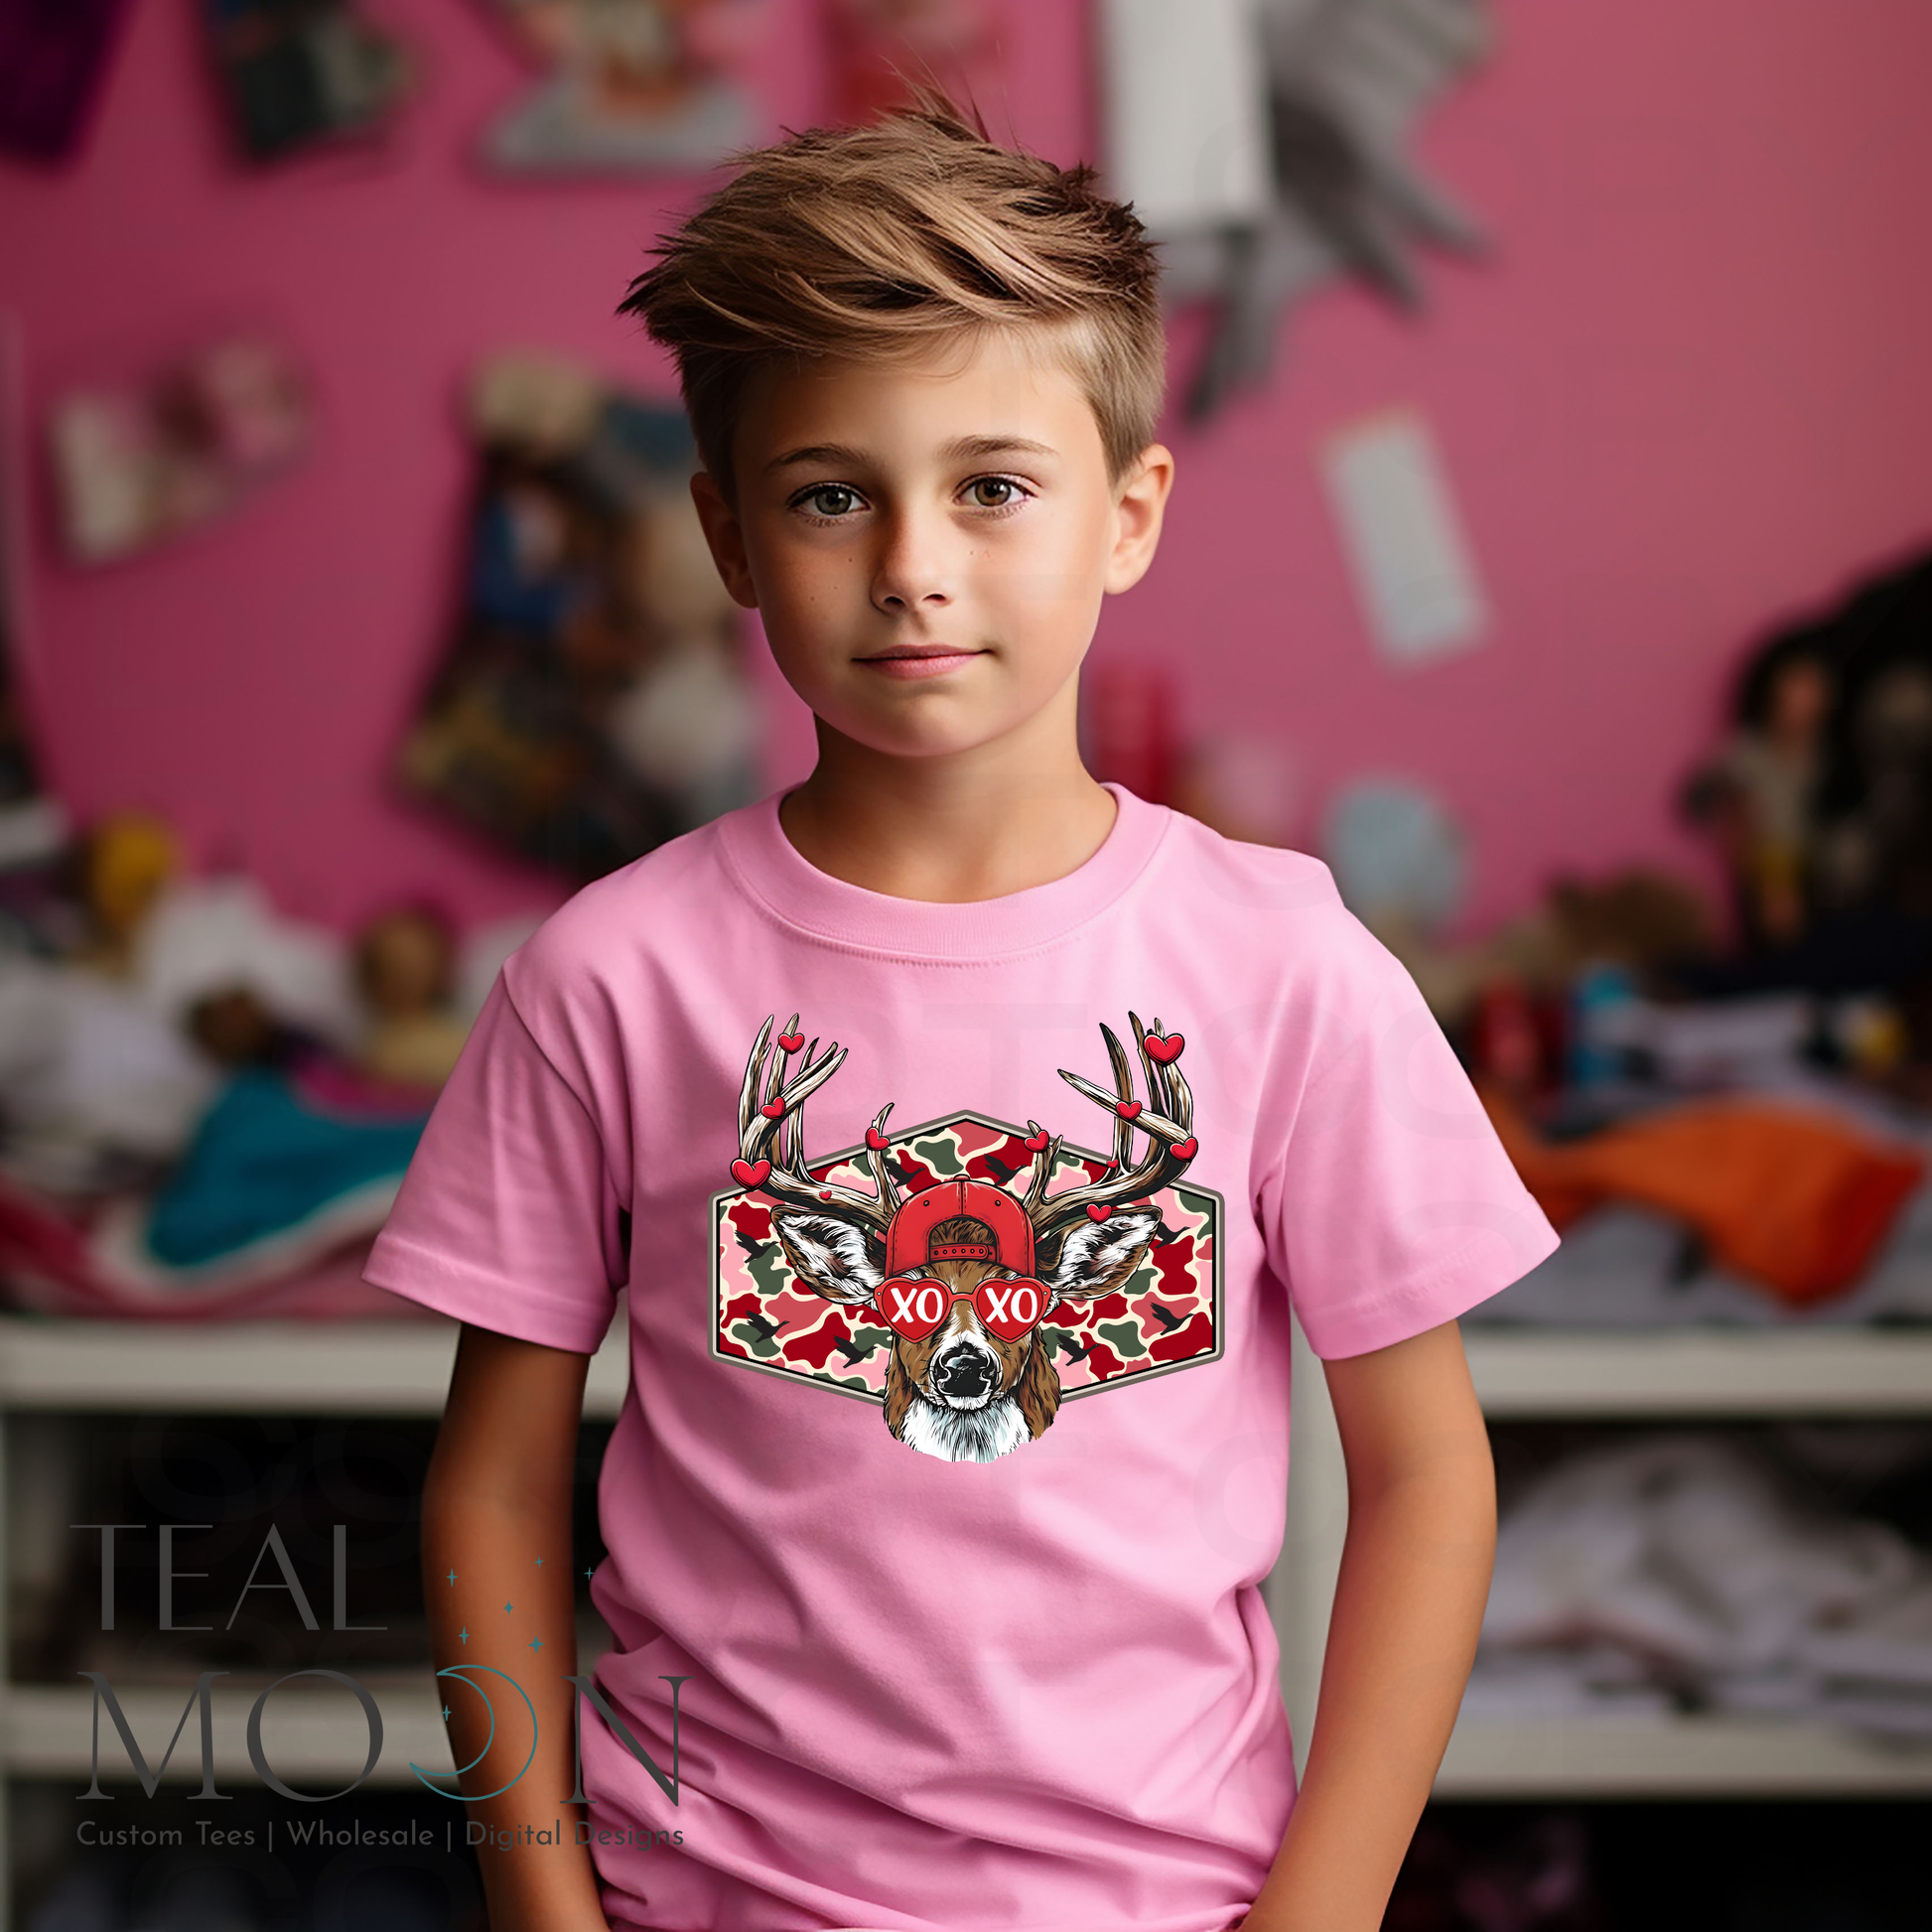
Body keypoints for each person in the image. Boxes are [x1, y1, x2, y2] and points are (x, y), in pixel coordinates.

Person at [364, 95, 1560, 1932]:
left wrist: (1319, 1913)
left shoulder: (1290, 966)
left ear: (1127, 515)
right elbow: (493, 1485)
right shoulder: (605, 979)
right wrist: (547, 1914)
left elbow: (1425, 1474)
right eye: (831, 494)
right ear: (729, 536)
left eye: (991, 486)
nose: (912, 563)